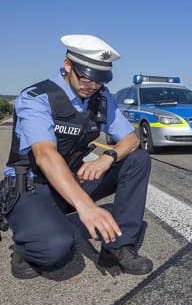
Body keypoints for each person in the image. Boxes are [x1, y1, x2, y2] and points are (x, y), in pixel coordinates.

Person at [3, 34, 152, 279]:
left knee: (138, 159)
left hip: (71, 180)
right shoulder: (37, 98)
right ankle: (25, 246)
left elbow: (131, 139)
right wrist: (86, 206)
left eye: (100, 79)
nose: (92, 85)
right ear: (68, 65)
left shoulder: (101, 98)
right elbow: (44, 154)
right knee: (55, 250)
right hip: (33, 186)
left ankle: (118, 247)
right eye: (86, 76)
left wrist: (107, 158)